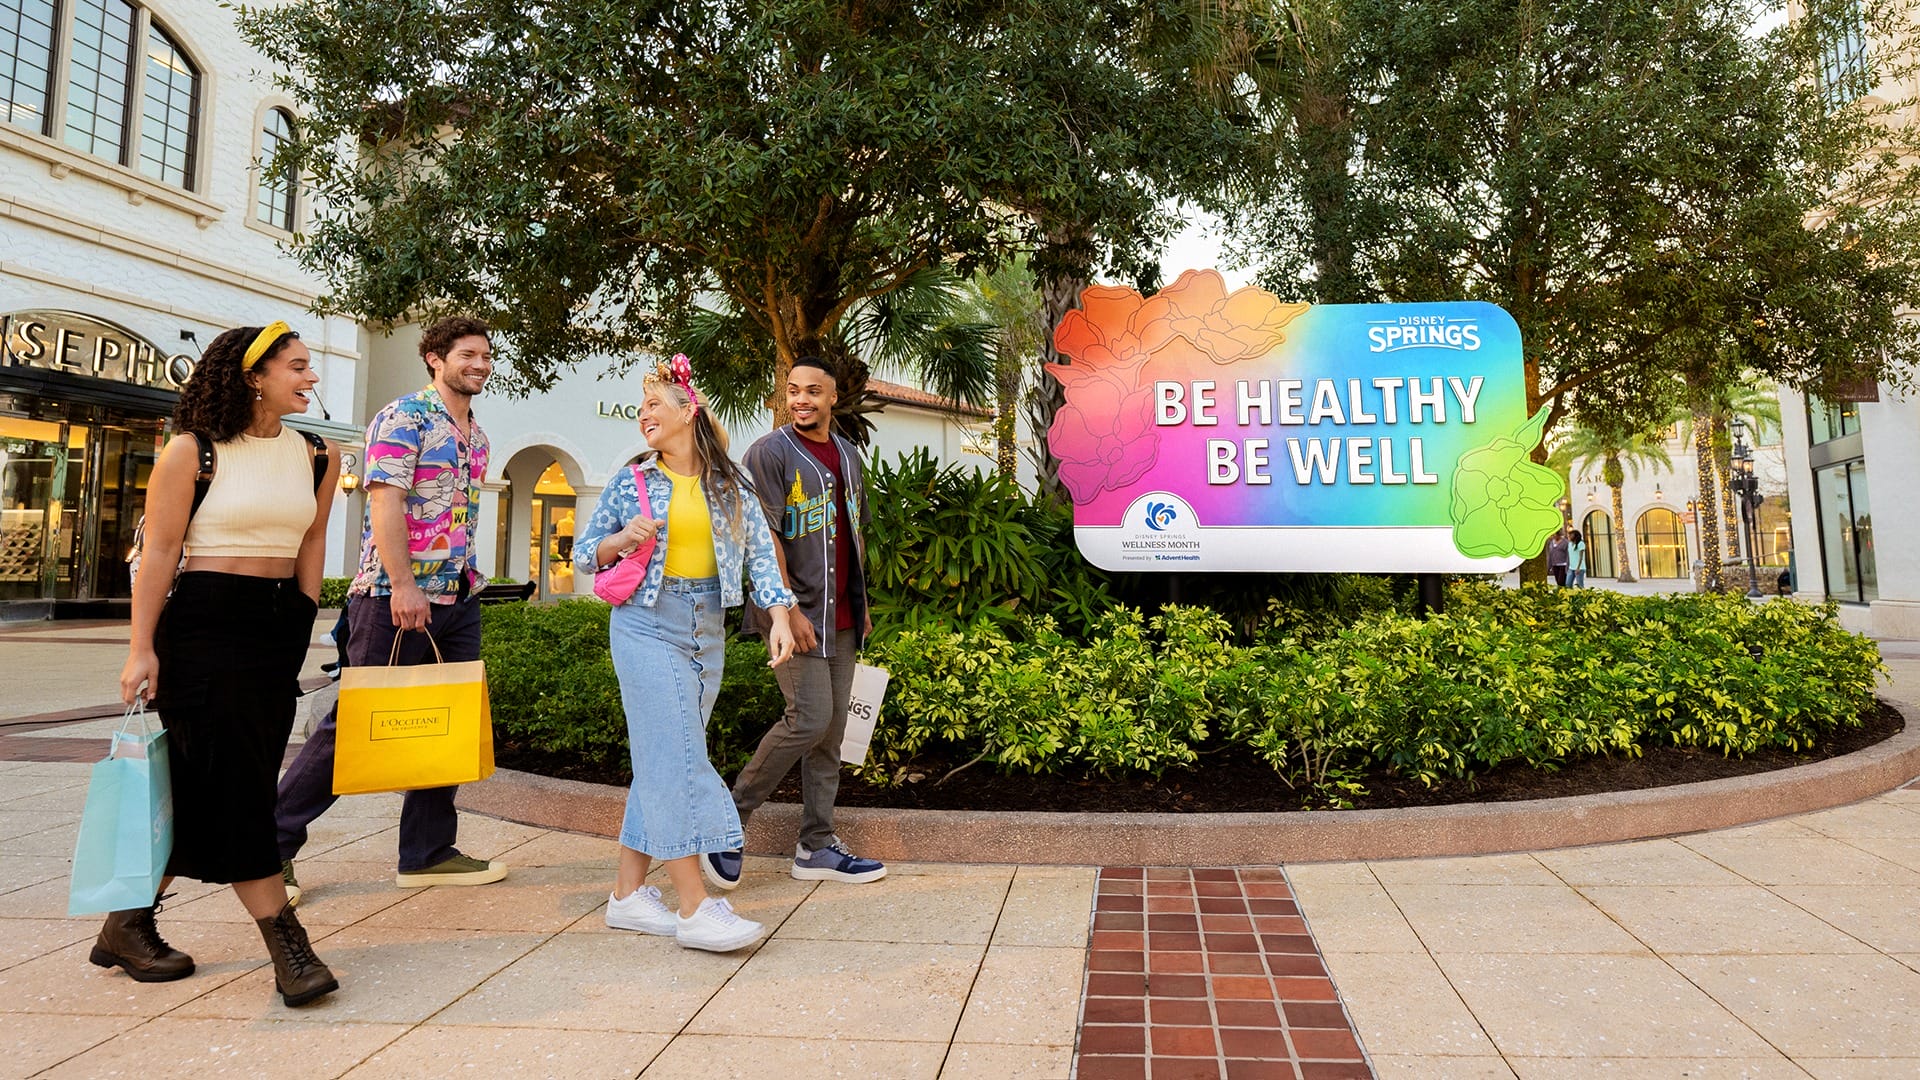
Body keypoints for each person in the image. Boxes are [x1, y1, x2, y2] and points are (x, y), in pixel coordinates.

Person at [110, 322, 341, 1007]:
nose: (311, 376)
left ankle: (127, 923)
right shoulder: (193, 451)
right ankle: (288, 945)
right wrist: (141, 647)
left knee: (210, 782)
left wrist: (302, 614)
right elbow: (160, 551)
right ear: (253, 376)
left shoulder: (317, 453)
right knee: (241, 788)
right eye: (297, 366)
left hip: (277, 625)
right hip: (204, 623)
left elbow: (313, 539)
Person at [275, 316, 507, 901]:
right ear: (435, 358)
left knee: (448, 722)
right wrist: (404, 585)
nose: (480, 365)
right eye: (468, 354)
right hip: (391, 597)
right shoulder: (404, 417)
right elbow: (385, 504)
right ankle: (269, 848)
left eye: (486, 356)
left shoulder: (477, 436)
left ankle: (428, 852)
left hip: (459, 596)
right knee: (353, 727)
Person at [575, 355, 798, 953]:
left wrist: (779, 616)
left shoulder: (731, 484)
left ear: (687, 410)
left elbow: (760, 557)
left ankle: (627, 895)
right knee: (676, 755)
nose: (643, 414)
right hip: (645, 623)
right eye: (640, 406)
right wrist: (620, 539)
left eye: (654, 404)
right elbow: (585, 554)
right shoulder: (632, 481)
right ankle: (695, 905)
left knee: (663, 755)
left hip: (706, 626)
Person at [705, 355, 886, 892]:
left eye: (812, 391)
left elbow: (853, 534)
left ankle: (816, 845)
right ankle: (727, 821)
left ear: (833, 398)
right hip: (791, 612)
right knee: (807, 719)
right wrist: (788, 607)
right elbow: (763, 536)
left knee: (831, 733)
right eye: (792, 390)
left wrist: (861, 602)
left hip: (842, 614)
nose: (800, 400)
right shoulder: (769, 452)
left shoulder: (849, 455)